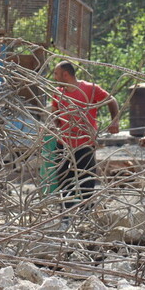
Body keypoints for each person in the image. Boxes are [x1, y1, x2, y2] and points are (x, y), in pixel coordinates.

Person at [51, 61, 119, 212]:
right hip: (64, 142)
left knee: (86, 178)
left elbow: (111, 100)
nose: (54, 77)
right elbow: (55, 112)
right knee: (62, 177)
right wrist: (55, 125)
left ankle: (85, 211)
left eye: (56, 74)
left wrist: (115, 121)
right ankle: (66, 211)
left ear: (66, 75)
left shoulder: (89, 88)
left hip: (85, 142)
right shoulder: (57, 92)